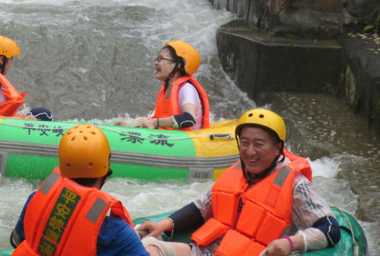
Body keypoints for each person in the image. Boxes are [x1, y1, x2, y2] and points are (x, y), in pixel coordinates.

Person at [135, 108, 342, 256]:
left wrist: (290, 243)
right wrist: (165, 224)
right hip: (203, 252)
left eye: (259, 144)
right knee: (149, 245)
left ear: (278, 147)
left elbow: (330, 228)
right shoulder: (237, 171)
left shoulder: (296, 184)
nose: (250, 152)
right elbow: (201, 207)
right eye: (245, 143)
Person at [11, 124, 150, 255]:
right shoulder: (116, 232)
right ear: (105, 174)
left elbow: (15, 241)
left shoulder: (35, 200)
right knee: (154, 245)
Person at [115, 41, 210, 131]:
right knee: (140, 120)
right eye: (157, 59)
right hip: (171, 136)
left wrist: (155, 123)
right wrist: (131, 127)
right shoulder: (167, 88)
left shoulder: (186, 89)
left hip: (188, 140)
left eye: (161, 59)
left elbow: (189, 118)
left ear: (178, 64)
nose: (156, 63)